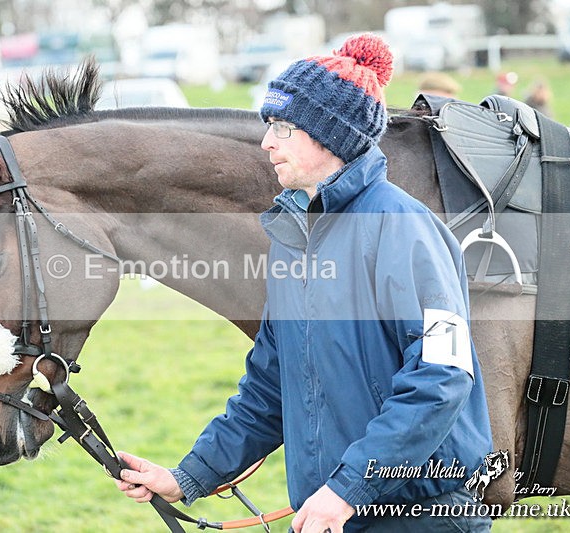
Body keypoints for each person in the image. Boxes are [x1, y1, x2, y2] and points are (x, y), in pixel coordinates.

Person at [115, 33, 493, 532]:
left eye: (283, 128)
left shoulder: (404, 229)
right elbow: (269, 388)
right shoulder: (294, 242)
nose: (267, 142)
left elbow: (441, 378)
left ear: (330, 136)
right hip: (332, 514)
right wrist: (188, 476)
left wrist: (348, 488)